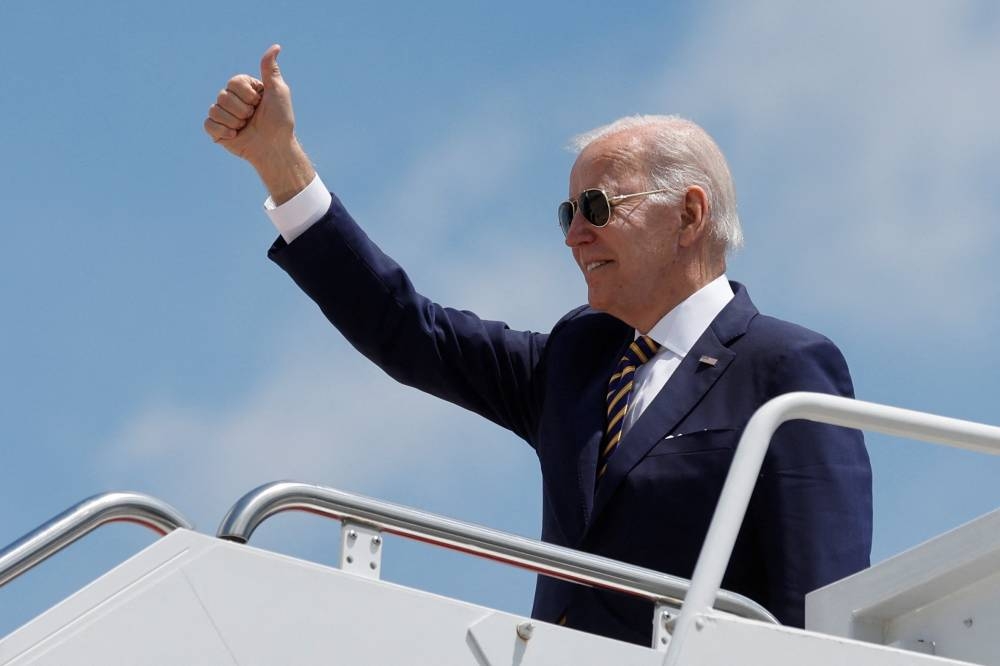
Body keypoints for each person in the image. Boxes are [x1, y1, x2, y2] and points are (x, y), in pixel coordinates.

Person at [204, 45, 872, 646]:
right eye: (567, 213)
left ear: (690, 215)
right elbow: (409, 331)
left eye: (598, 209)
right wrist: (280, 165)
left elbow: (818, 609)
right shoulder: (576, 361)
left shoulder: (782, 369)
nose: (573, 234)